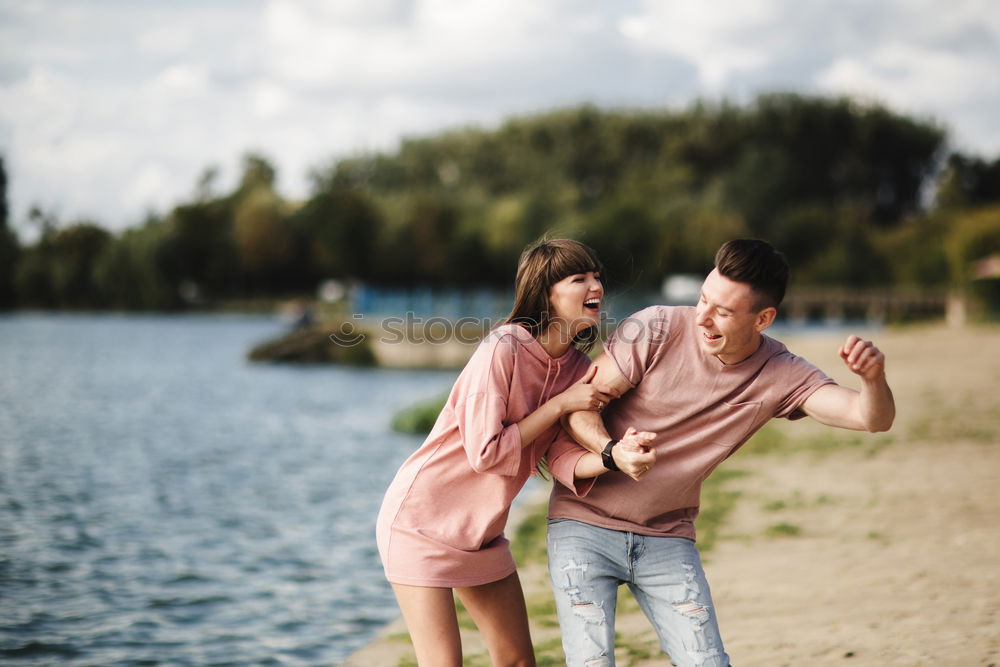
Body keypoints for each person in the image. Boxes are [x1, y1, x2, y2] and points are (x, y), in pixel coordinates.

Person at [550, 238, 895, 667]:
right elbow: (578, 406)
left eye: (724, 312)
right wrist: (611, 451)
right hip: (582, 525)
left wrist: (873, 380)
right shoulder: (656, 328)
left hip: (667, 536)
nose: (704, 319)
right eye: (703, 300)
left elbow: (869, 417)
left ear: (763, 319)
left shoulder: (781, 373)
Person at [376, 238, 654, 667]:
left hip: (481, 533)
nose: (595, 285)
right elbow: (485, 453)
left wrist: (613, 455)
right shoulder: (503, 347)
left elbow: (559, 456)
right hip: (421, 522)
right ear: (546, 293)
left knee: (517, 660)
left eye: (596, 276)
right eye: (579, 278)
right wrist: (559, 405)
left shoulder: (579, 369)